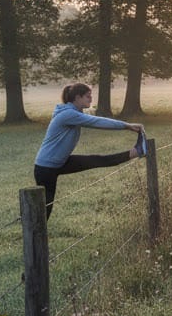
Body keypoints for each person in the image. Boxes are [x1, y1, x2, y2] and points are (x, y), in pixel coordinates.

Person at [34, 83, 146, 219]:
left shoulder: (73, 113)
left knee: (96, 160)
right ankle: (33, 237)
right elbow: (97, 122)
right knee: (45, 210)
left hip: (59, 162)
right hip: (46, 168)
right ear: (77, 97)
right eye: (88, 96)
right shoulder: (68, 115)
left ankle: (136, 151)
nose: (91, 99)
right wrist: (127, 126)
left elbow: (94, 116)